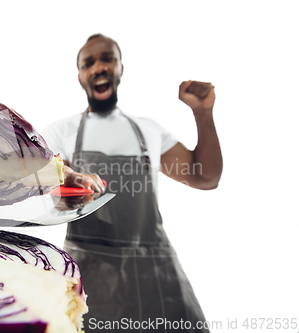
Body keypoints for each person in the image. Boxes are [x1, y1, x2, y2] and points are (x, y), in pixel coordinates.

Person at [42, 34, 223, 332]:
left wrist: (202, 112)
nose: (99, 66)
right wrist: (66, 191)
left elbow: (205, 177)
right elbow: (49, 187)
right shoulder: (61, 132)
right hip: (92, 276)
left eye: (107, 58)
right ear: (80, 76)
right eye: (89, 62)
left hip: (158, 272)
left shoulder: (149, 131)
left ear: (121, 68)